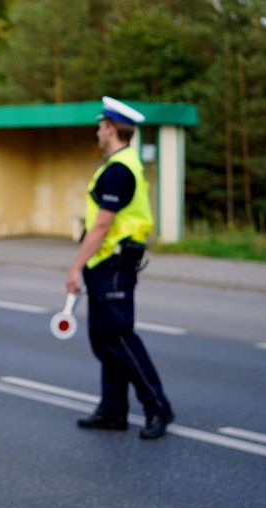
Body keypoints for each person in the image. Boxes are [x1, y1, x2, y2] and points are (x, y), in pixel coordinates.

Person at [66, 97, 175, 440]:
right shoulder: (120, 164)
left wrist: (74, 267)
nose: (98, 131)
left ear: (111, 128)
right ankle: (113, 410)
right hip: (107, 264)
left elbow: (101, 226)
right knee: (104, 339)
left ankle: (158, 407)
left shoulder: (118, 170)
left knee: (119, 337)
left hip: (113, 263)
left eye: (101, 126)